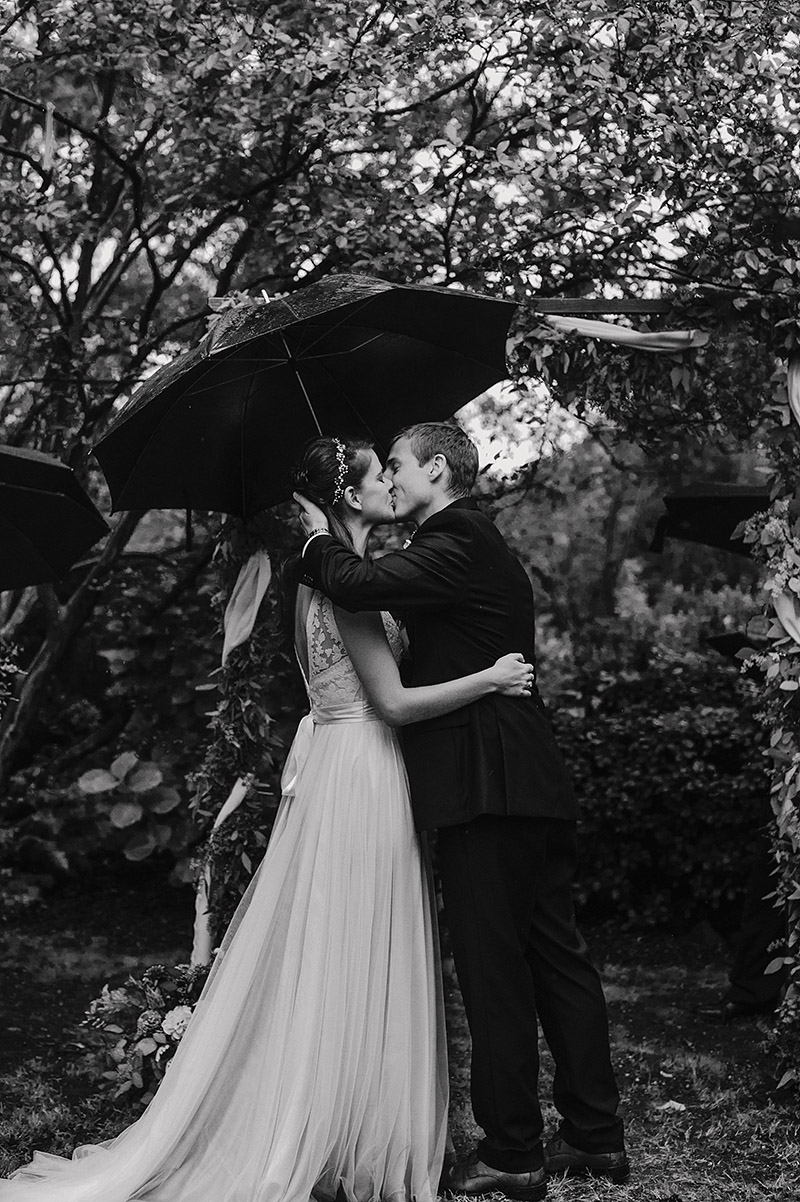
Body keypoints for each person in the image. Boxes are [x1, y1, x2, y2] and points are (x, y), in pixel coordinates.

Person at [0, 435, 533, 1202]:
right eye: (378, 474)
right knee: (355, 942)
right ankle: (328, 1129)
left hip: (353, 764)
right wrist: (488, 679)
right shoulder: (341, 587)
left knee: (352, 940)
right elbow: (388, 702)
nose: (389, 483)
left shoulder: (340, 575)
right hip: (363, 766)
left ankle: (349, 1121)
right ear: (350, 494)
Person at [295, 422, 628, 1199]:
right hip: (525, 781)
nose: (396, 478)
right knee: (556, 957)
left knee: (495, 970)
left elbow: (361, 587)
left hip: (485, 785)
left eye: (401, 466)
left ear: (437, 469)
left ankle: (514, 1153)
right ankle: (595, 1137)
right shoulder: (473, 544)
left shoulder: (456, 536)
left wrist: (315, 538)